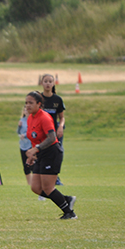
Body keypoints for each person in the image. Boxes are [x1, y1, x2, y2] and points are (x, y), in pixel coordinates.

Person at [24, 91, 76, 219]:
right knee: (36, 188)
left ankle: (69, 213)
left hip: (52, 153)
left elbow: (52, 138)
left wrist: (35, 149)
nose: (27, 106)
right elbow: (34, 138)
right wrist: (32, 155)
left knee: (48, 188)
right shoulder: (30, 118)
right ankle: (66, 199)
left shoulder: (44, 117)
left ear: (39, 104)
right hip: (41, 154)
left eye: (31, 103)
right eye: (26, 103)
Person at [39, 74, 66, 185]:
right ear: (42, 83)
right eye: (46, 81)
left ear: (53, 83)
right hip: (42, 133)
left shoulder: (57, 99)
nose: (48, 83)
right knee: (42, 154)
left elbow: (62, 117)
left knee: (57, 153)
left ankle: (56, 178)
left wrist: (60, 126)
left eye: (50, 81)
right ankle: (41, 177)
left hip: (54, 132)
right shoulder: (38, 98)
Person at [17, 106, 33, 185]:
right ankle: (29, 183)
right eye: (24, 110)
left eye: (27, 110)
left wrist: (25, 135)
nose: (26, 111)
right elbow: (18, 132)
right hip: (23, 145)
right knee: (25, 165)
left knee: (33, 164)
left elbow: (32, 131)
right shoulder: (22, 120)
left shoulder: (32, 120)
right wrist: (19, 126)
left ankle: (36, 182)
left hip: (31, 145)